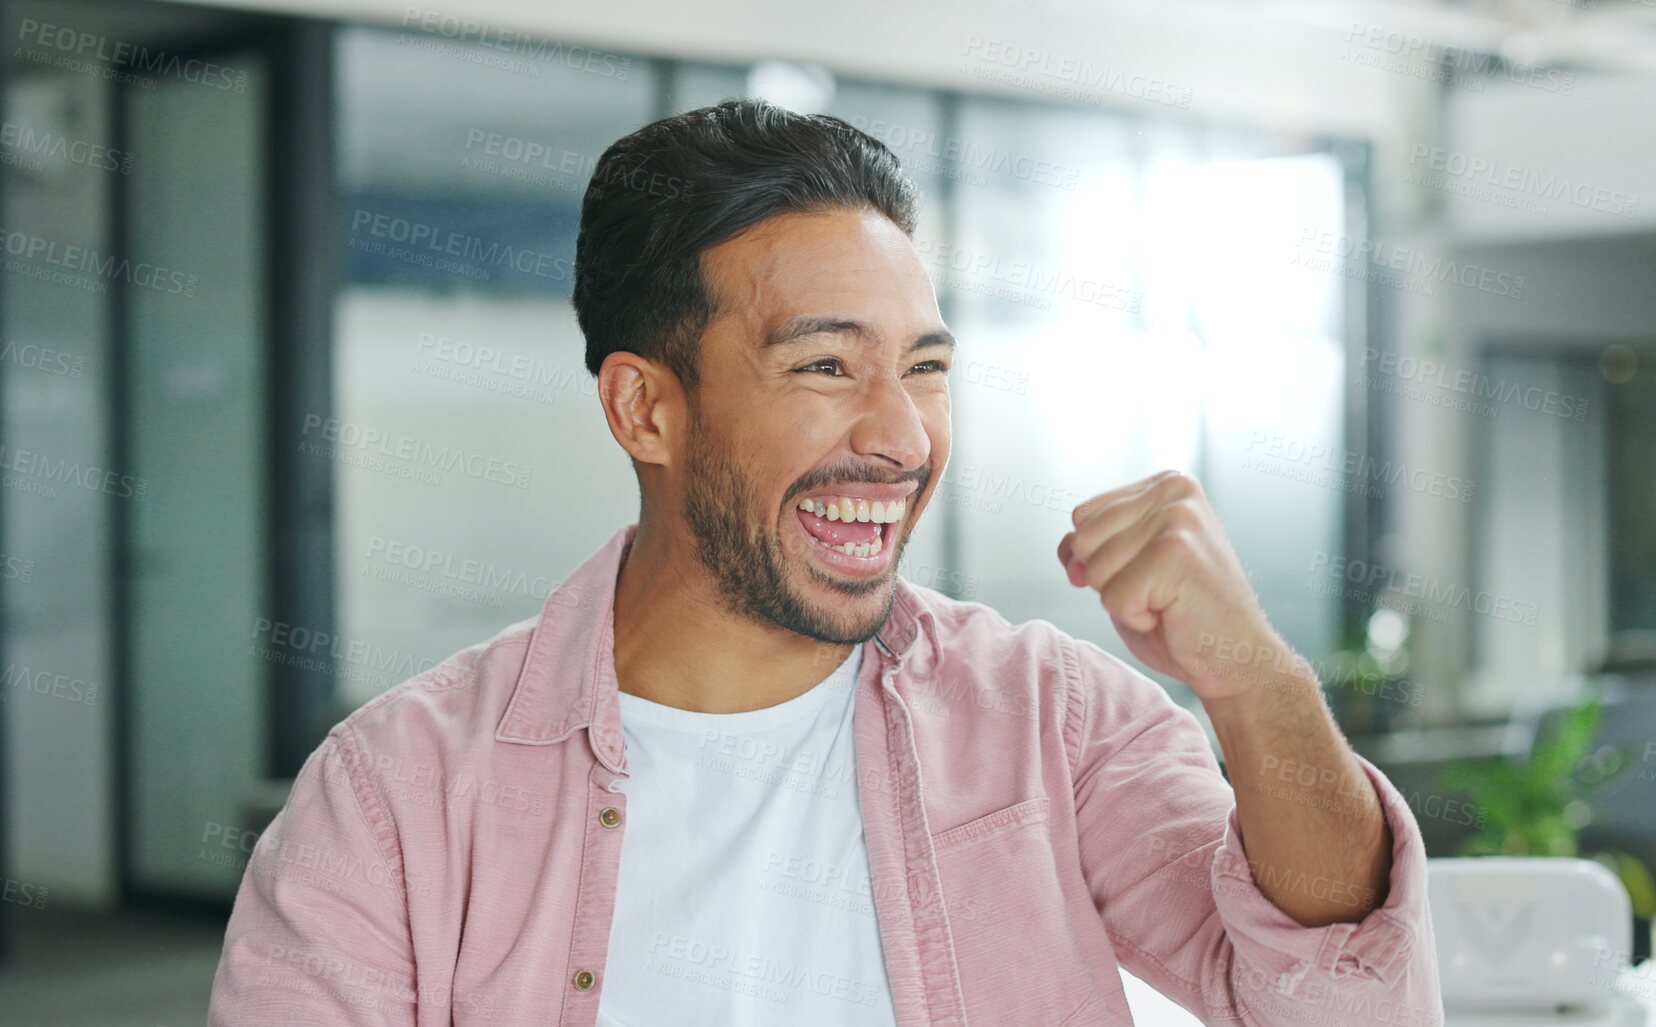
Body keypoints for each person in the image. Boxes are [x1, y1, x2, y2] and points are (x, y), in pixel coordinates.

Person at [208, 97, 1442, 1026]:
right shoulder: (398, 797)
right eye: (825, 365)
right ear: (646, 411)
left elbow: (1337, 1002)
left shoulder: (1051, 722)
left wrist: (1258, 686)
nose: (902, 436)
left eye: (924, 366)